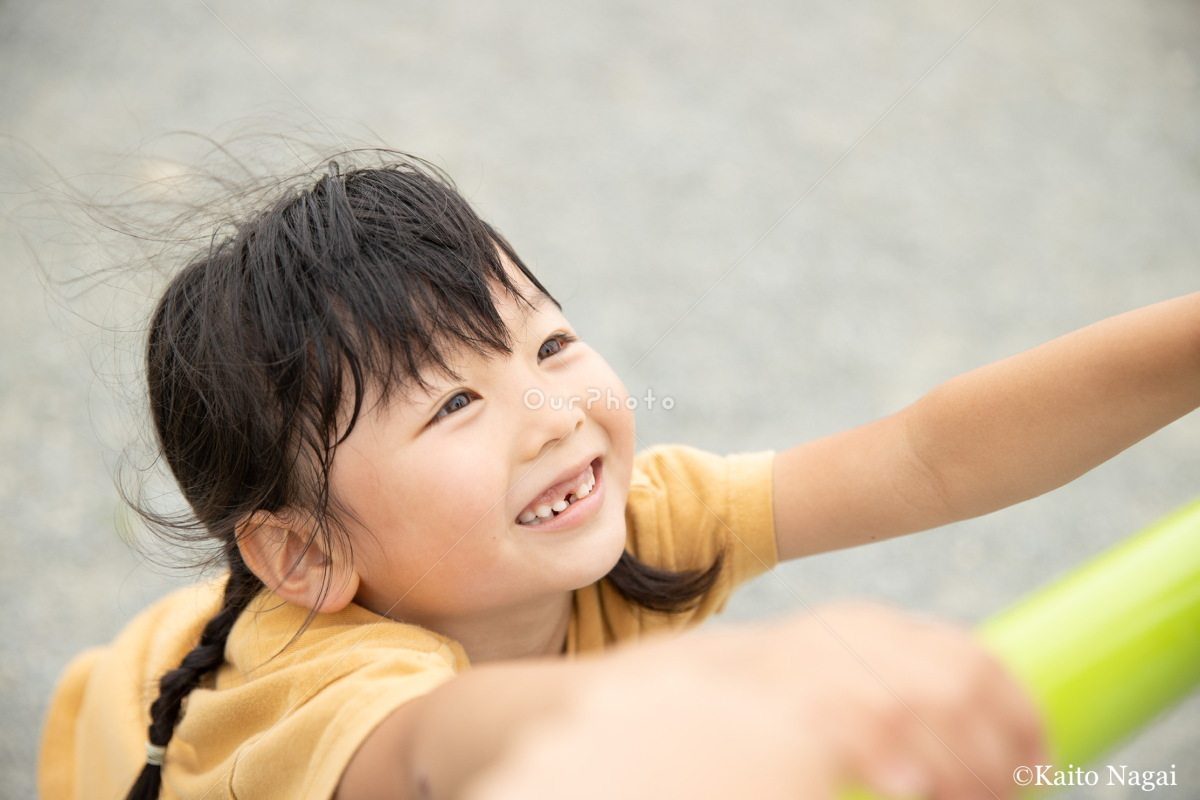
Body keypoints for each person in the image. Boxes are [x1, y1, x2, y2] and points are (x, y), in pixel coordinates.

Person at [37, 154, 1200, 800]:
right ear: (306, 551)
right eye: (451, 404)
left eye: (547, 346)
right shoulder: (324, 690)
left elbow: (923, 454)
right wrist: (754, 679)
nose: (551, 415)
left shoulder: (637, 530)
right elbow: (445, 746)